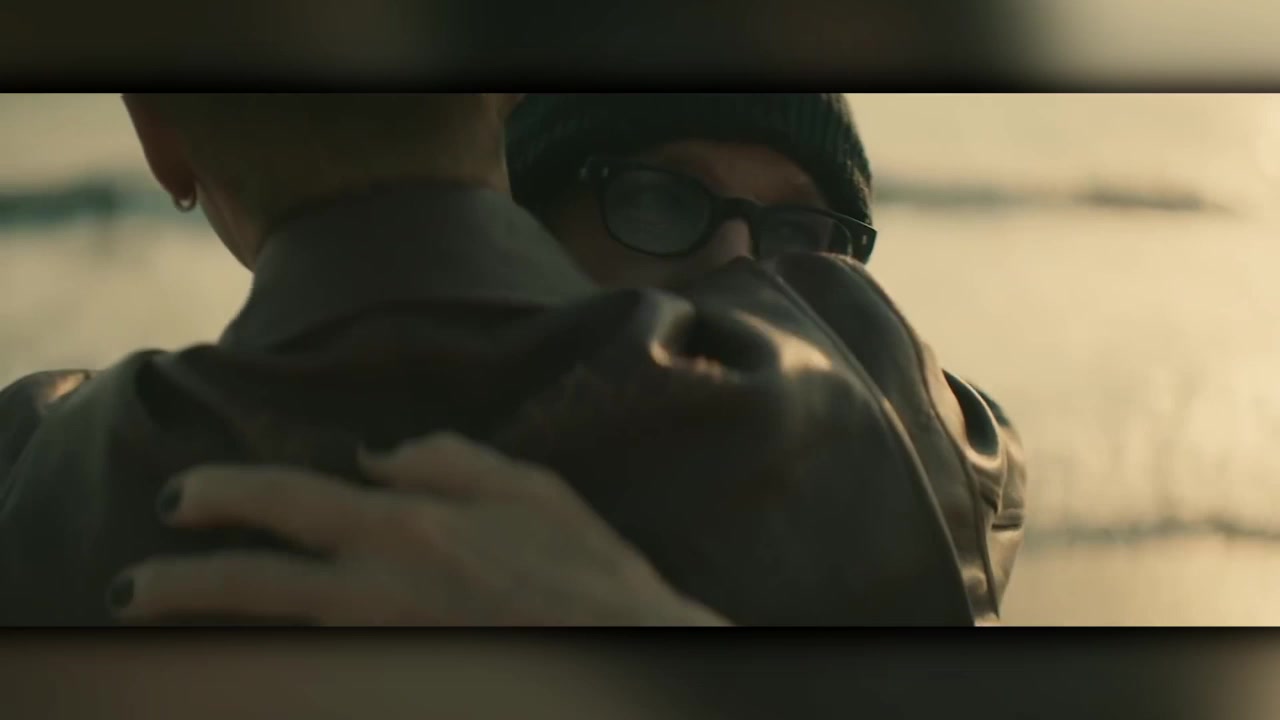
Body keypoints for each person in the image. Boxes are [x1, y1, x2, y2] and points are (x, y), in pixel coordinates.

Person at [0, 93, 1022, 626]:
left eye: (803, 239)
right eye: (656, 199)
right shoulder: (879, 433)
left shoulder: (54, 479)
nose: (741, 273)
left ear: (159, 131)